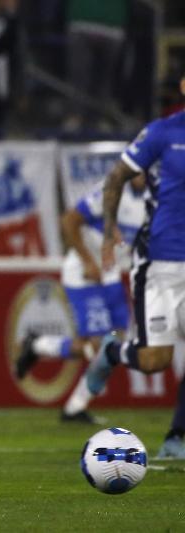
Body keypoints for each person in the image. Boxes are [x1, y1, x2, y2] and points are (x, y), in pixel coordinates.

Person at [84, 106, 185, 459]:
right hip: (159, 262)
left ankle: (176, 438)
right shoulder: (162, 133)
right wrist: (109, 232)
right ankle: (112, 352)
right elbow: (116, 177)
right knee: (155, 359)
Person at [15, 174, 146, 423]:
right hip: (84, 274)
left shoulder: (154, 201)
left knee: (118, 343)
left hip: (110, 275)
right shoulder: (110, 192)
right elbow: (68, 220)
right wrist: (87, 260)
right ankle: (40, 349)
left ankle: (74, 404)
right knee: (100, 346)